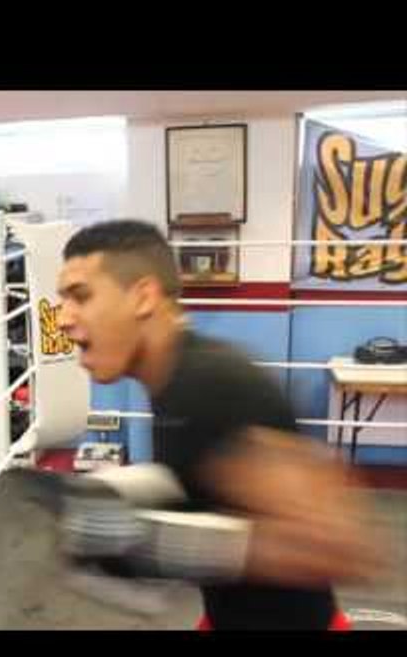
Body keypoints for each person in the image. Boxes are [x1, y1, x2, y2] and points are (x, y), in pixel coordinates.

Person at [52, 219, 384, 630]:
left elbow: (339, 548)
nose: (63, 319)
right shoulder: (168, 380)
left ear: (142, 297)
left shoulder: (211, 383)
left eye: (80, 297)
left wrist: (155, 542)